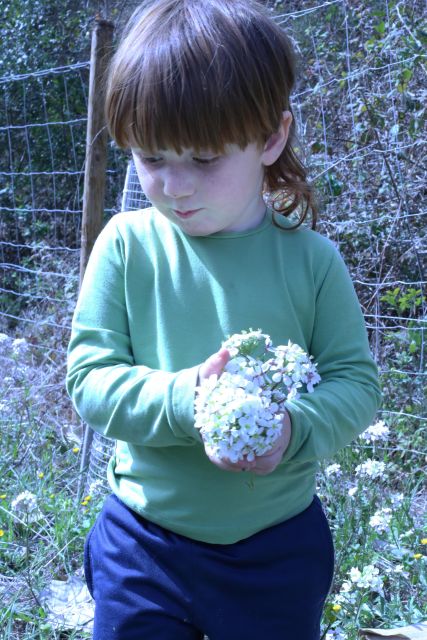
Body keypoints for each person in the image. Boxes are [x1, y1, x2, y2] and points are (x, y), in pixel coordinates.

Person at [66, 1, 381, 638]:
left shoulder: (313, 261)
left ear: (271, 137)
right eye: (152, 158)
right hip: (143, 544)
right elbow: (89, 378)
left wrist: (291, 429)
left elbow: (357, 385)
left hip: (277, 550)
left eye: (204, 160)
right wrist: (189, 401)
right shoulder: (126, 246)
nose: (175, 187)